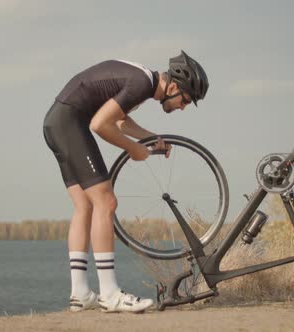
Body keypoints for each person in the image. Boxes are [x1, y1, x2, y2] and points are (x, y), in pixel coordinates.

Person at [42, 50, 209, 313]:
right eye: (186, 100)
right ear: (174, 87)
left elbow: (119, 121)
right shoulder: (142, 83)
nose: (184, 107)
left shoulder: (144, 82)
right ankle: (109, 294)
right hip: (72, 122)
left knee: (85, 207)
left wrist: (149, 138)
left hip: (56, 123)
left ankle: (80, 293)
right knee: (106, 202)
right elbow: (100, 124)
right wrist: (133, 149)